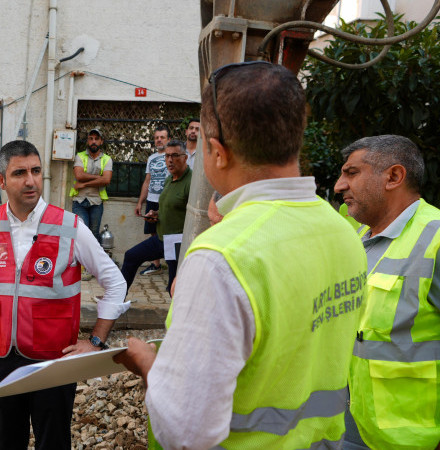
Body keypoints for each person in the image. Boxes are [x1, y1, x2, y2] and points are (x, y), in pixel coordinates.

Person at [114, 62, 367, 449]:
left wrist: (148, 363)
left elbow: (187, 432)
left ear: (217, 152)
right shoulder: (344, 232)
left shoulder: (221, 257)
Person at [0, 140, 128, 449]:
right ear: (1, 181)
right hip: (1, 358)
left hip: (53, 363)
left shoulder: (70, 226)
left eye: (36, 171)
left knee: (52, 442)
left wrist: (94, 341)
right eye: (20, 173)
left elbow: (116, 283)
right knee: (9, 441)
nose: (31, 180)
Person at [334, 135, 440, 449]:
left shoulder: (435, 240)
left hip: (410, 439)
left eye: (351, 173)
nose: (340, 185)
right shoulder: (356, 235)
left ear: (393, 177)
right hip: (348, 426)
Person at [120, 139, 191, 296]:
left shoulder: (191, 183)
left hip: (178, 243)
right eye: (167, 156)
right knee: (131, 256)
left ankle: (176, 318)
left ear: (185, 157)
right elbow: (168, 207)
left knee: (174, 287)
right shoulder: (169, 179)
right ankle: (115, 300)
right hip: (161, 238)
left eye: (174, 156)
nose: (170, 160)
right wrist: (156, 214)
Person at [134, 123, 171, 276]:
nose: (159, 140)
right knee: (153, 232)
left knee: (169, 232)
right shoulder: (151, 158)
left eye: (162, 137)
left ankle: (172, 266)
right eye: (156, 138)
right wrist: (140, 202)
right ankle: (156, 265)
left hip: (167, 201)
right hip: (152, 199)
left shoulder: (172, 156)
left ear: (168, 139)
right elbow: (147, 181)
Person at [69, 127, 113, 241]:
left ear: (101, 141)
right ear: (88, 141)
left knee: (93, 235)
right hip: (79, 201)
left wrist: (83, 185)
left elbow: (106, 180)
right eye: (91, 138)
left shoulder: (107, 159)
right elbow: (79, 175)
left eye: (96, 139)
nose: (94, 141)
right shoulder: (80, 156)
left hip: (96, 202)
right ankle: (79, 259)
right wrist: (99, 177)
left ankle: (91, 259)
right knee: (81, 233)